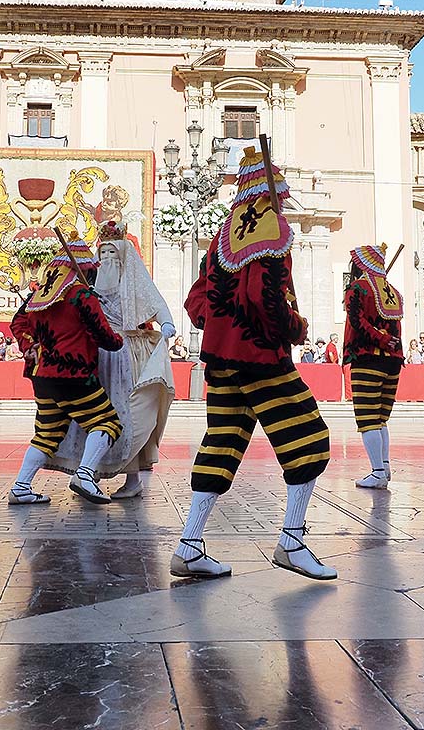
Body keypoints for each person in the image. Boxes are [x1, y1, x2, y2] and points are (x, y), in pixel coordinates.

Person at [175, 147, 335, 582]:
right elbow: (262, 297)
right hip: (261, 356)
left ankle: (189, 545)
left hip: (221, 359)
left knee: (221, 444)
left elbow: (196, 299)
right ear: (273, 192)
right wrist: (295, 327)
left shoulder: (223, 235)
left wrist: (217, 325)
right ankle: (292, 541)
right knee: (310, 440)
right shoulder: (271, 231)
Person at [46, 221, 176, 499]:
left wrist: (166, 324)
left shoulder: (135, 284)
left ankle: (132, 479)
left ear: (123, 257)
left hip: (128, 352)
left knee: (130, 414)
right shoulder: (89, 284)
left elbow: (158, 305)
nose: (105, 260)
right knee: (94, 414)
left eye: (111, 254)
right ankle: (88, 471)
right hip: (98, 353)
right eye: (102, 254)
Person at [7, 230, 124, 507]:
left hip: (43, 375)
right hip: (75, 374)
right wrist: (120, 340)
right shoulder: (81, 294)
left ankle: (21, 486)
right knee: (107, 422)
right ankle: (84, 475)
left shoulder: (38, 296)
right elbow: (105, 337)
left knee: (47, 433)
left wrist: (30, 345)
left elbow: (17, 324)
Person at [343, 244, 405, 490]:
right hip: (393, 360)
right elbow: (396, 330)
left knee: (368, 418)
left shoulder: (357, 288)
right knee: (380, 418)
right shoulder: (394, 291)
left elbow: (357, 322)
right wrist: (390, 344)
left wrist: (379, 339)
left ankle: (378, 471)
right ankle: (385, 465)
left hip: (367, 357)